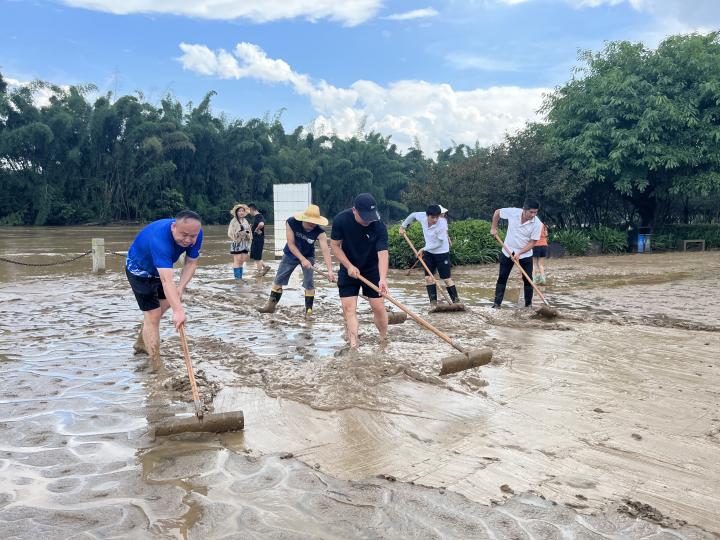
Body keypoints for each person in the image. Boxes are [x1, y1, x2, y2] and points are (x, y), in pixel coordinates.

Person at [126, 210, 203, 371]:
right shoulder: (160, 239)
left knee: (165, 305)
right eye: (184, 235)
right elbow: (166, 280)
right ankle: (156, 364)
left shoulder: (196, 233)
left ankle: (141, 341)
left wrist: (180, 287)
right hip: (140, 270)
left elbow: (191, 262)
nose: (188, 240)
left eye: (192, 236)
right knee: (153, 315)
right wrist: (178, 311)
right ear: (174, 227)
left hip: (163, 269)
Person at [331, 193, 389, 349]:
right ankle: (354, 345)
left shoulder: (379, 225)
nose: (368, 221)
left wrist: (382, 278)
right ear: (354, 210)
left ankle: (383, 339)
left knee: (378, 307)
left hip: (372, 269)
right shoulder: (341, 220)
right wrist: (349, 265)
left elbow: (383, 253)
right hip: (348, 268)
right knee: (349, 308)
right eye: (364, 217)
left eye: (370, 217)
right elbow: (335, 246)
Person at [257, 204, 336, 317]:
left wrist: (330, 271)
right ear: (304, 219)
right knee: (278, 279)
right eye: (310, 222)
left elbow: (325, 251)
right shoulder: (291, 222)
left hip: (308, 256)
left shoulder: (320, 232)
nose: (312, 225)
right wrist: (302, 259)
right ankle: (270, 307)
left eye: (315, 222)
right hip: (290, 254)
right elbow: (291, 244)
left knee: (309, 282)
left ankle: (309, 311)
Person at [399, 204, 461, 310]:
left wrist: (423, 249)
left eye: (437, 217)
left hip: (441, 252)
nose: (435, 220)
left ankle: (457, 303)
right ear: (427, 215)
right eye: (433, 217)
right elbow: (413, 215)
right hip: (429, 252)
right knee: (428, 278)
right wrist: (403, 226)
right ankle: (433, 304)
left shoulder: (442, 224)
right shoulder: (422, 216)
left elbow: (439, 243)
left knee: (446, 279)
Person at [489, 199, 543, 308]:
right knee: (502, 277)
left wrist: (520, 253)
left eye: (535, 212)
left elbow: (533, 242)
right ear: (524, 209)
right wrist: (493, 228)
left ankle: (528, 305)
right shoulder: (513, 212)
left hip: (525, 254)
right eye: (531, 212)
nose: (533, 215)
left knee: (528, 279)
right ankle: (497, 304)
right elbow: (497, 212)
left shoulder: (537, 223)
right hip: (507, 251)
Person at [227, 203, 251, 280]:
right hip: (237, 243)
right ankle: (237, 279)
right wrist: (240, 234)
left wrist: (248, 234)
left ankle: (240, 278)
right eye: (239, 211)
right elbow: (230, 233)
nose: (241, 212)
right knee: (237, 261)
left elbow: (249, 231)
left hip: (245, 243)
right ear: (236, 212)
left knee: (242, 260)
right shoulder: (233, 221)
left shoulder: (245, 221)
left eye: (242, 211)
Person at [247, 203, 270, 276]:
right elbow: (259, 224)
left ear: (251, 209)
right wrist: (252, 227)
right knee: (256, 256)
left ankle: (260, 272)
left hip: (258, 240)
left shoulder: (259, 216)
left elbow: (261, 224)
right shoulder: (257, 217)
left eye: (248, 211)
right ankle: (265, 267)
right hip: (256, 239)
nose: (248, 213)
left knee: (257, 257)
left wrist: (256, 229)